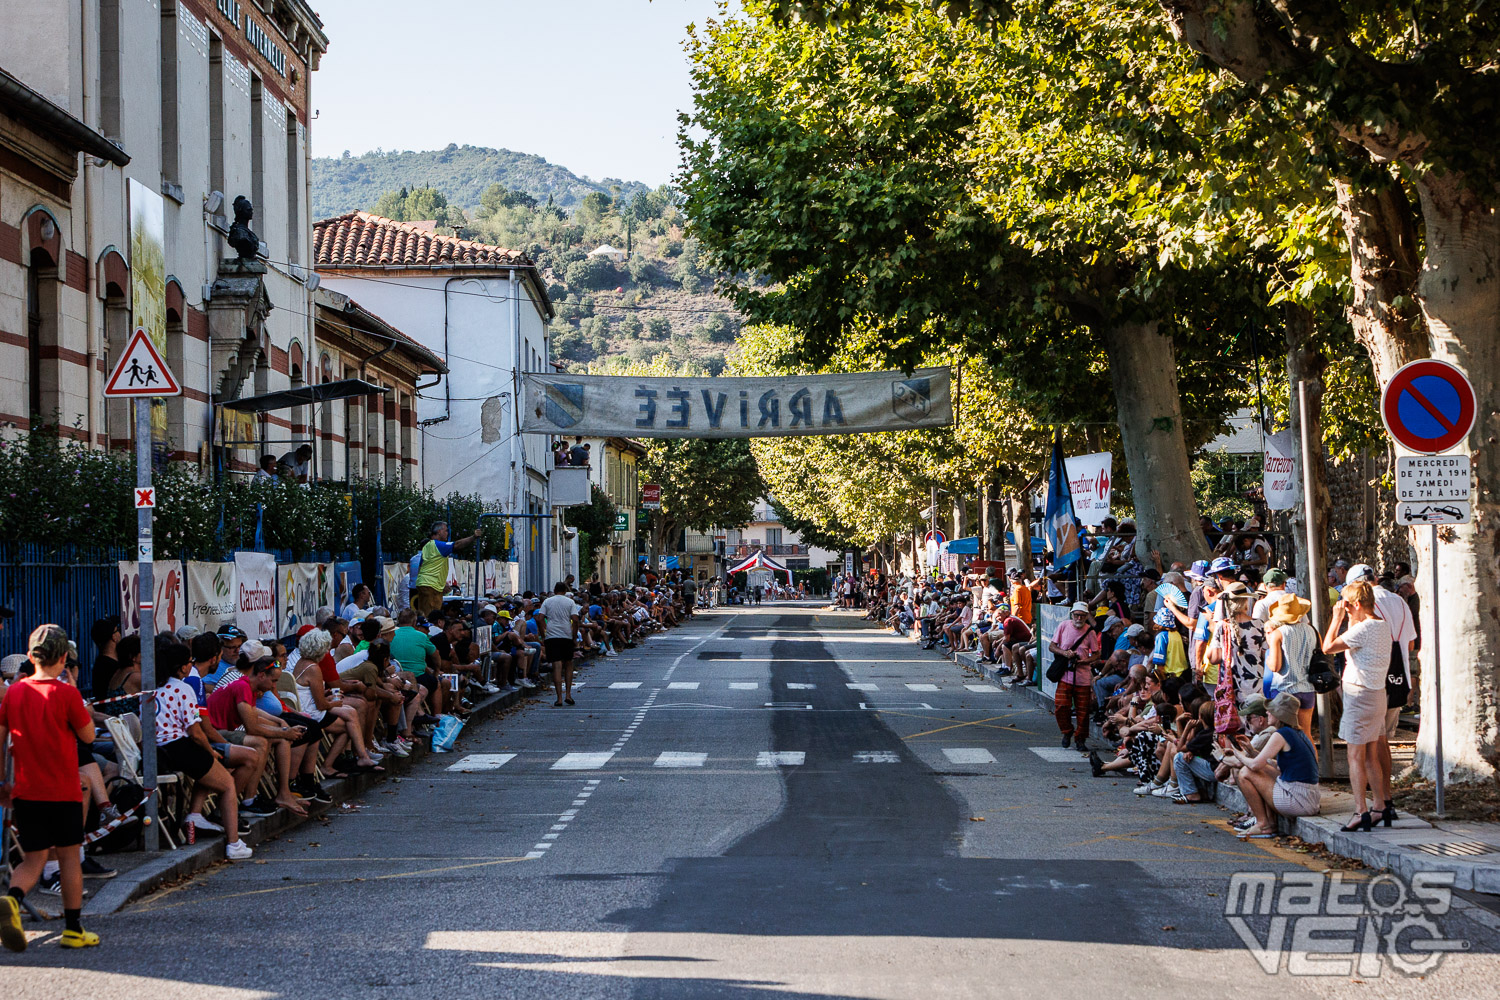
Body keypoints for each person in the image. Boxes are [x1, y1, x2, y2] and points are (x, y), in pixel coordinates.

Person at [0, 625, 100, 950]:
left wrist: (3, 781)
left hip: (26, 792)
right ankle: (73, 930)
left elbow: (0, 739)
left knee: (32, 859)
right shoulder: (66, 694)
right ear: (64, 658)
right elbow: (88, 737)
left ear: (30, 657)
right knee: (70, 859)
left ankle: (13, 900)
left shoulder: (14, 693)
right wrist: (76, 694)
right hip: (64, 791)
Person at [152, 640, 253, 860]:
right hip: (181, 747)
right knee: (227, 784)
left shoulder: (153, 688)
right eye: (189, 662)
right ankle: (234, 842)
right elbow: (196, 732)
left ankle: (195, 816)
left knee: (212, 775)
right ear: (181, 667)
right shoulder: (183, 688)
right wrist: (211, 752)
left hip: (159, 752)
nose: (191, 666)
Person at [1322, 579, 1393, 832]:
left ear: (1358, 604)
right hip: (1376, 694)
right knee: (1371, 756)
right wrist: (1350, 617)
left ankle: (1360, 809)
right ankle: (1380, 805)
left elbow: (1328, 647)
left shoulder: (1362, 630)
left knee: (1355, 756)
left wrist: (1336, 618)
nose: (1346, 610)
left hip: (1359, 693)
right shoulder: (1381, 626)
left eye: (1349, 606)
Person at [1223, 692, 1322, 839]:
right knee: (1261, 770)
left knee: (1246, 772)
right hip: (1308, 797)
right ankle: (1268, 822)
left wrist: (1238, 753)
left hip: (1298, 800)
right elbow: (1271, 764)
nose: (1267, 712)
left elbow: (1255, 766)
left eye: (1272, 710)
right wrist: (1251, 751)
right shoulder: (1297, 732)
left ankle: (1263, 824)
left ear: (1280, 714)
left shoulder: (1281, 734)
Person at [1261, 592, 1319, 751]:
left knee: (1284, 736)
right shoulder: (1312, 631)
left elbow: (1275, 666)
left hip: (1286, 691)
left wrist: (1267, 658)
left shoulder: (1278, 634)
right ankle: (1313, 772)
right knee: (1306, 735)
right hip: (1307, 688)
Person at [1049, 602, 1100, 750]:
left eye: (1082, 616)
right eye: (1077, 615)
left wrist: (1084, 661)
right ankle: (1067, 731)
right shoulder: (1064, 626)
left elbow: (1097, 654)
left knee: (1083, 711)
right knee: (1061, 706)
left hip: (1082, 676)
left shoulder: (1089, 631)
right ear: (1072, 615)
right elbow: (1052, 646)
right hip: (1065, 674)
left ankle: (1080, 739)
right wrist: (1065, 653)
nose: (1079, 618)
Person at [411, 521, 483, 616]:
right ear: (439, 531)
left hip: (427, 585)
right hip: (430, 586)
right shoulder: (437, 545)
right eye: (446, 531)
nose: (447, 533)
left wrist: (440, 582)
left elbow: (421, 567)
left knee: (429, 615)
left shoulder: (427, 547)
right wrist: (473, 537)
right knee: (430, 617)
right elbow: (457, 545)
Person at [540, 582, 582, 707]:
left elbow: (540, 617)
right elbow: (575, 619)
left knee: (556, 666)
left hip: (552, 635)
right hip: (566, 634)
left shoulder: (547, 601)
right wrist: (574, 636)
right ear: (565, 590)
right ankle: (568, 694)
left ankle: (558, 698)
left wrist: (544, 633)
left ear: (554, 590)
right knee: (568, 664)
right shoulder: (570, 602)